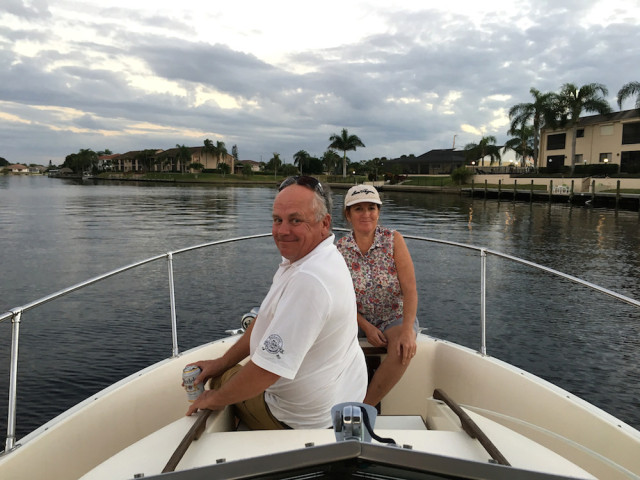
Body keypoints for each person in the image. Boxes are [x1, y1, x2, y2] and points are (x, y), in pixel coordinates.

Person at [185, 176, 367, 429]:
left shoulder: (309, 279)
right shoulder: (317, 257)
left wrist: (214, 398)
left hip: (300, 421)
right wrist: (220, 362)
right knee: (227, 370)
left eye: (295, 220)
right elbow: (266, 320)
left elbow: (266, 371)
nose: (282, 231)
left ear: (324, 224)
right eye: (277, 220)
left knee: (222, 382)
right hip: (343, 396)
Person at [336, 184, 419, 407]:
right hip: (356, 318)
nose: (366, 214)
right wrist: (366, 326)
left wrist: (408, 331)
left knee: (403, 349)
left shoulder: (393, 240)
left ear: (378, 212)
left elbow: (410, 289)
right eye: (358, 209)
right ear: (348, 214)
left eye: (371, 208)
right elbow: (339, 299)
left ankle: (363, 407)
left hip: (393, 316)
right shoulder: (340, 249)